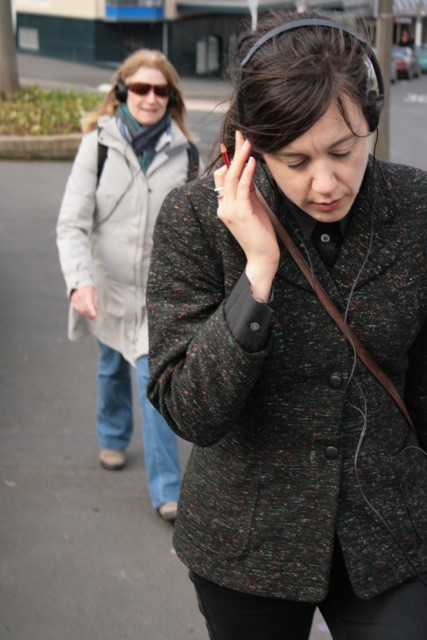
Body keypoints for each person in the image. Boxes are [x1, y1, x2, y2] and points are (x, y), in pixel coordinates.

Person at [146, 9, 427, 639]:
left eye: (343, 150)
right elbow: (190, 409)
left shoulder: (414, 208)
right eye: (294, 159)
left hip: (390, 530)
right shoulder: (194, 218)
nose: (325, 182)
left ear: (371, 128)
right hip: (248, 545)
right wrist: (258, 272)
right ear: (249, 146)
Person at [56, 48, 202, 522]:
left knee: (152, 380)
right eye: (140, 88)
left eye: (161, 90)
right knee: (110, 363)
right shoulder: (97, 147)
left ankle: (166, 489)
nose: (151, 98)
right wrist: (79, 282)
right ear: (122, 92)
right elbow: (72, 224)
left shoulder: (187, 153)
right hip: (107, 287)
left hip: (159, 296)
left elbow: (197, 227)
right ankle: (112, 435)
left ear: (171, 96)